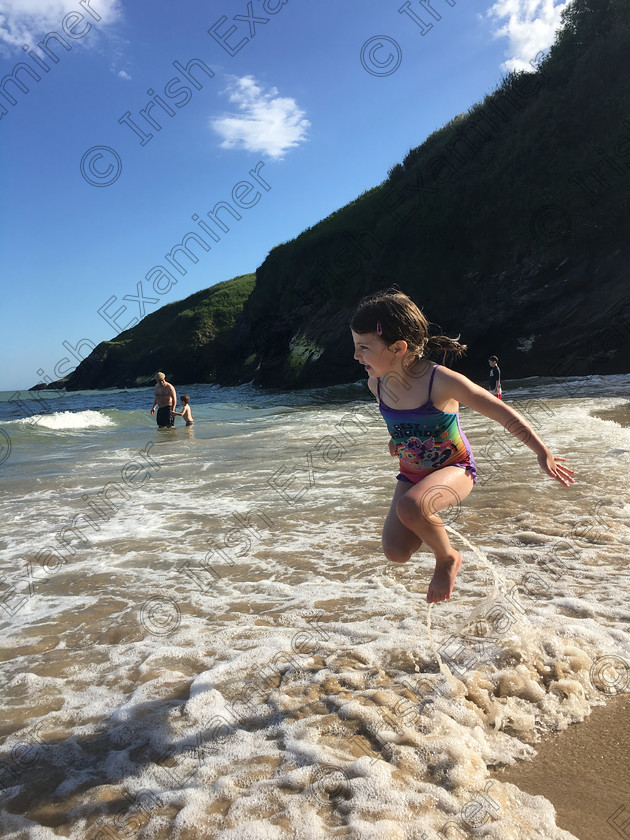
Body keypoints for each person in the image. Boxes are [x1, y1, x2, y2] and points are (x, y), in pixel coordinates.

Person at [350, 290, 574, 604]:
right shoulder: (378, 384)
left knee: (412, 506)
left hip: (455, 469)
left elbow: (501, 412)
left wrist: (542, 452)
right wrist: (397, 439)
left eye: (363, 347)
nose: (356, 356)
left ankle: (447, 559)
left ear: (398, 348)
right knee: (396, 551)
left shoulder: (441, 381)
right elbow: (402, 422)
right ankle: (431, 533)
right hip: (412, 473)